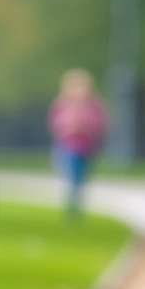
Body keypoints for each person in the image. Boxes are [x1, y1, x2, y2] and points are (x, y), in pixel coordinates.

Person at [46, 68, 107, 220]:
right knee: (71, 174)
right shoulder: (63, 104)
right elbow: (55, 123)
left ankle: (76, 201)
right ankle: (72, 202)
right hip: (68, 145)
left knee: (80, 177)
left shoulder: (92, 105)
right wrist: (69, 127)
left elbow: (99, 124)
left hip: (86, 146)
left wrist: (86, 126)